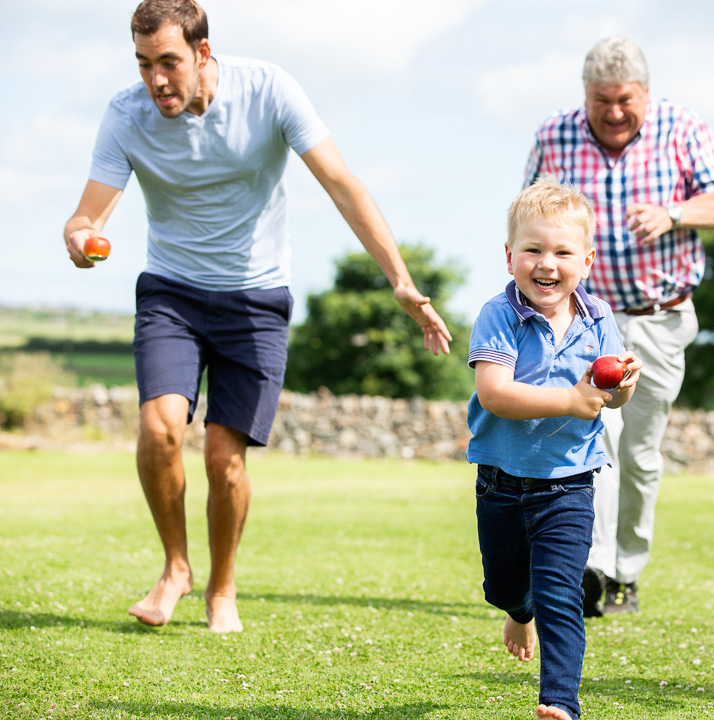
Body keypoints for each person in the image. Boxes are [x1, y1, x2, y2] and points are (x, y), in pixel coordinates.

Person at [62, 0, 452, 633]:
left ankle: (222, 587)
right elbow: (88, 216)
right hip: (172, 293)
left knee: (224, 459)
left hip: (256, 299)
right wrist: (78, 237)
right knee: (161, 429)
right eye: (143, 64)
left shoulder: (269, 90)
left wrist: (400, 282)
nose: (156, 80)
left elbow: (342, 184)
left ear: (203, 52)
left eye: (168, 62)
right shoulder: (125, 116)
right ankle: (176, 569)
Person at [524, 36, 714, 617]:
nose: (614, 112)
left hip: (658, 319)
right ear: (585, 95)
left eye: (625, 100)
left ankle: (627, 572)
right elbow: (529, 212)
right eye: (601, 101)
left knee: (639, 452)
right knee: (594, 442)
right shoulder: (554, 135)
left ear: (645, 92)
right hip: (584, 317)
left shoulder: (683, 128)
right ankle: (589, 570)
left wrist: (674, 215)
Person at [467, 176, 642, 720]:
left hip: (569, 481)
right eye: (533, 249)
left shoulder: (598, 319)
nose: (548, 263)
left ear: (587, 261)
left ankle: (560, 702)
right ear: (509, 256)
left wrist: (624, 383)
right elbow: (494, 394)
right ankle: (517, 611)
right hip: (501, 480)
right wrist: (569, 400)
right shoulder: (500, 314)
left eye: (563, 251)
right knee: (504, 587)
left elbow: (611, 398)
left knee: (562, 595)